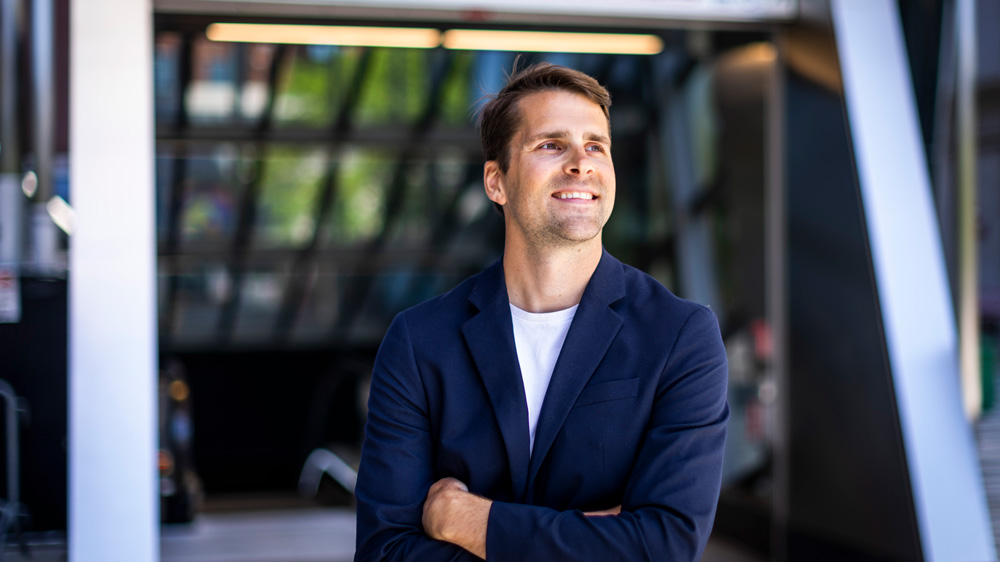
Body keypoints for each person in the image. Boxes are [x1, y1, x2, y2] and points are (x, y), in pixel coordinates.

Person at [354, 62, 729, 562]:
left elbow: (663, 545)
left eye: (596, 145)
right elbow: (385, 552)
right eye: (551, 145)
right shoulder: (419, 342)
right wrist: (596, 540)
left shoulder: (681, 336)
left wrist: (469, 520)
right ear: (496, 182)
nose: (581, 163)